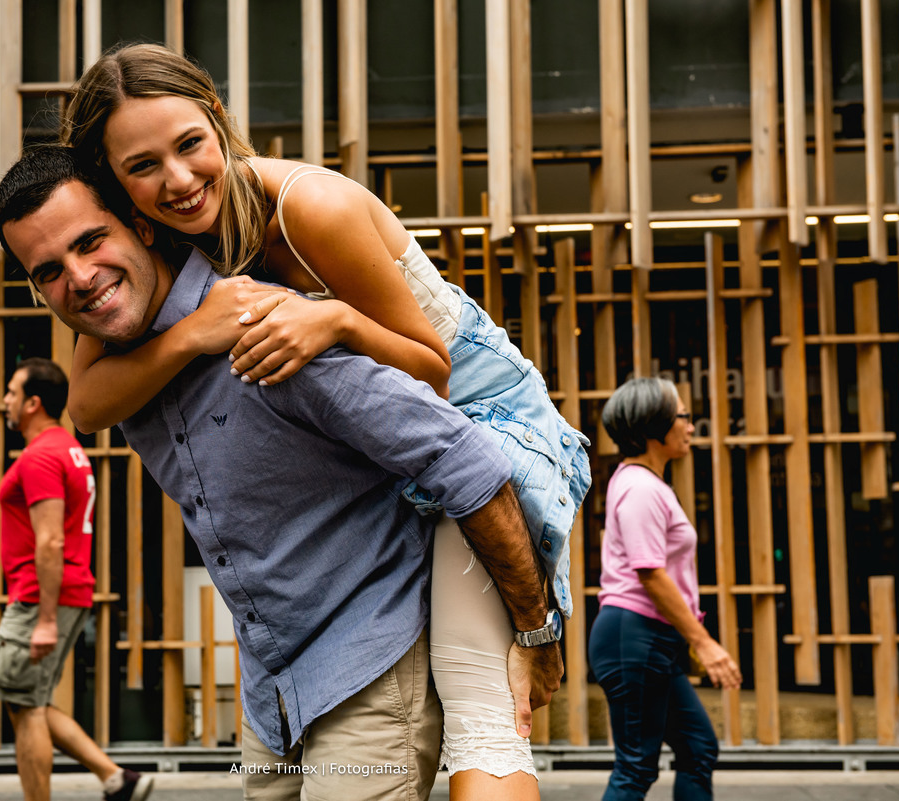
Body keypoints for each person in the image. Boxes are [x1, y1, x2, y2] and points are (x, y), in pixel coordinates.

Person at [60, 43, 591, 797]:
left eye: (188, 145)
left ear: (217, 120)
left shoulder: (309, 208)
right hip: (381, 449)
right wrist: (195, 333)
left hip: (480, 411)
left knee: (481, 705)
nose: (176, 180)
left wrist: (335, 320)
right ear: (114, 182)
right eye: (143, 166)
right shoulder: (149, 240)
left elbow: (432, 373)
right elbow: (88, 401)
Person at [0, 358, 152, 801]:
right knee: (27, 699)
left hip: (42, 596)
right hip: (65, 591)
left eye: (12, 392)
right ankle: (116, 779)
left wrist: (43, 618)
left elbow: (50, 540)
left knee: (25, 707)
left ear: (33, 403)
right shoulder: (69, 449)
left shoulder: (41, 456)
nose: (6, 401)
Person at [590, 378, 742, 801]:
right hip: (633, 636)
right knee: (636, 766)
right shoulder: (639, 488)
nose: (692, 426)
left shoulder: (648, 485)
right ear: (655, 424)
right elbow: (651, 573)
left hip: (649, 639)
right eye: (684, 416)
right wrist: (705, 644)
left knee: (697, 747)